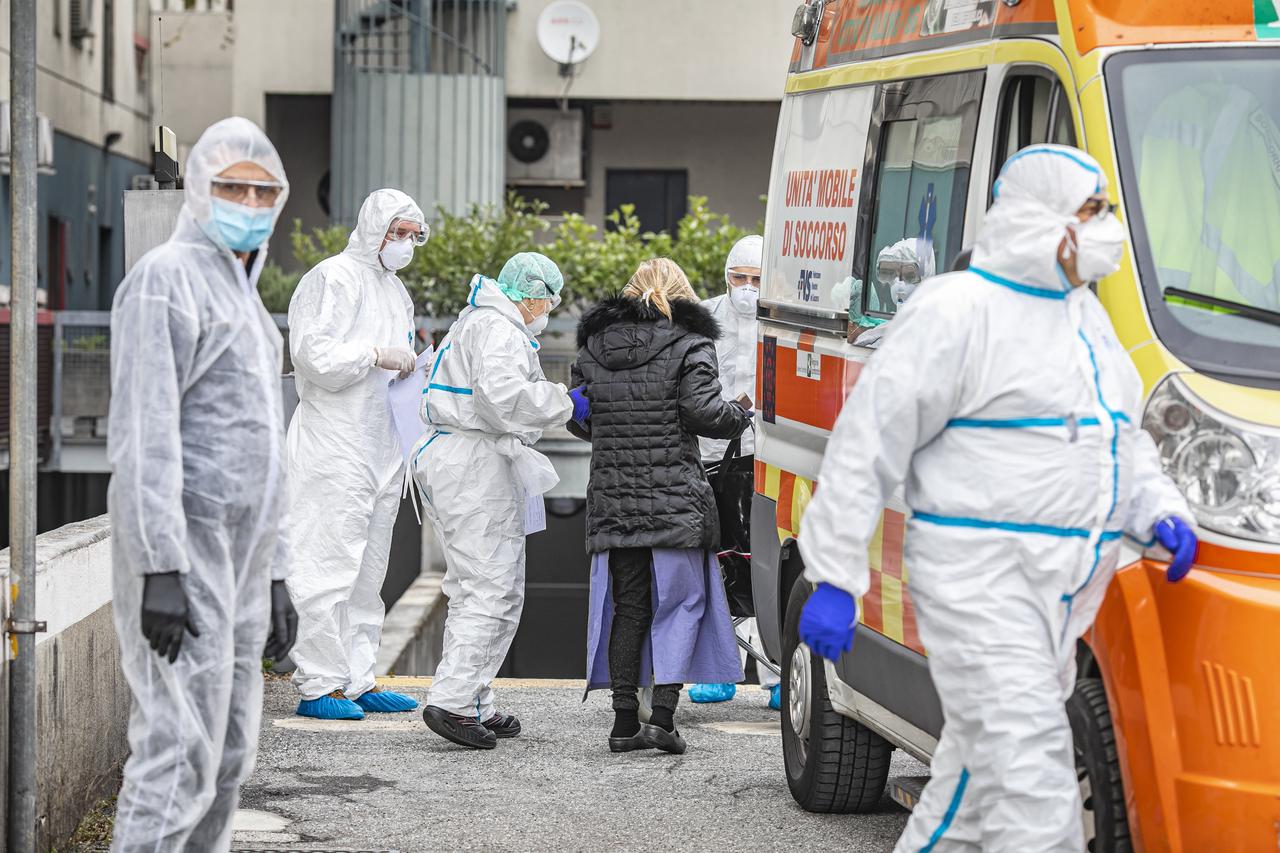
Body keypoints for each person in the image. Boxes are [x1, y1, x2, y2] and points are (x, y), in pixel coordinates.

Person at [796, 144, 1199, 851]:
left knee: (970, 795)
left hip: (1059, 594)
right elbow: (864, 447)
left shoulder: (1084, 319)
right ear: (1043, 222)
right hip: (981, 584)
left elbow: (1115, 436)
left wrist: (1154, 506)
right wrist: (833, 578)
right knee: (1035, 787)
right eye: (1093, 212)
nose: (1108, 230)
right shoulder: (957, 312)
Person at [107, 117, 298, 851]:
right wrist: (159, 563)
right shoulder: (164, 282)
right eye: (230, 186)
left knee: (226, 753)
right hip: (182, 552)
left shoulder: (245, 301)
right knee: (177, 750)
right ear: (196, 189)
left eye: (260, 188)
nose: (247, 201)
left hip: (242, 564)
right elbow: (145, 430)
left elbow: (266, 450)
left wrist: (277, 573)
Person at [572, 258, 752, 755]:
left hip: (613, 498)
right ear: (682, 293)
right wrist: (741, 414)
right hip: (675, 499)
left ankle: (624, 723)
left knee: (630, 608)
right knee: (682, 604)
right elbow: (703, 412)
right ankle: (665, 719)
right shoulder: (691, 343)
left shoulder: (592, 346)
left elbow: (580, 420)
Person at [413, 252, 575, 749]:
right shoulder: (499, 330)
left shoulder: (483, 323)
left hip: (464, 458)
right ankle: (455, 700)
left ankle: (475, 698)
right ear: (530, 294)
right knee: (491, 586)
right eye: (548, 299)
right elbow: (503, 399)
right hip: (473, 462)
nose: (548, 309)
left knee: (480, 584)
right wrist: (568, 400)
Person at [285, 189, 429, 720]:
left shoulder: (395, 291)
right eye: (399, 233)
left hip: (380, 443)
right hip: (334, 443)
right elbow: (312, 354)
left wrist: (410, 366)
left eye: (413, 236)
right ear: (375, 228)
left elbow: (395, 362)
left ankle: (358, 676)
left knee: (369, 571)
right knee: (326, 562)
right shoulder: (331, 278)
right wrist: (374, 354)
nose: (406, 244)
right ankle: (319, 684)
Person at [687, 235, 782, 710]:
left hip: (764, 456)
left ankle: (774, 674)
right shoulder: (704, 318)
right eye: (738, 278)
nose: (746, 288)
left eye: (756, 280)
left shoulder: (779, 320)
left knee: (761, 562)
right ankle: (718, 670)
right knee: (718, 560)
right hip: (710, 455)